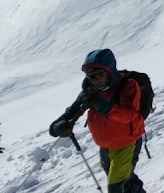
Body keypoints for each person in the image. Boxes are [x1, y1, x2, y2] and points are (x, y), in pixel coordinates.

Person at [49, 49, 147, 193]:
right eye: (90, 77)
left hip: (127, 143)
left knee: (117, 188)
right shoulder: (91, 91)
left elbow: (129, 115)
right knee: (127, 184)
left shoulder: (127, 85)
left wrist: (104, 106)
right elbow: (72, 111)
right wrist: (56, 126)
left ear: (110, 72)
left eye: (99, 75)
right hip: (105, 145)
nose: (94, 80)